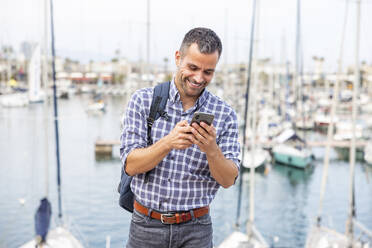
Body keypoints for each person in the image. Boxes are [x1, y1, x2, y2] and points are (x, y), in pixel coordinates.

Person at [120, 27, 241, 248]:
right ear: (178, 58)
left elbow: (228, 180)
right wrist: (168, 143)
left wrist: (211, 149)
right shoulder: (143, 101)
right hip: (145, 226)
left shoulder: (226, 114)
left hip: (197, 229)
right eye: (193, 67)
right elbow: (130, 165)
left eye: (208, 72)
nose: (198, 78)